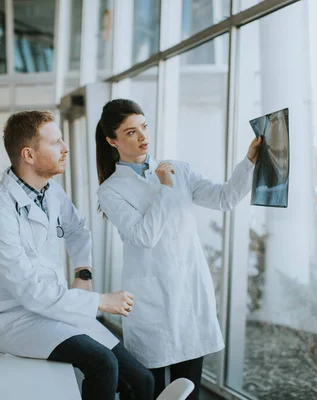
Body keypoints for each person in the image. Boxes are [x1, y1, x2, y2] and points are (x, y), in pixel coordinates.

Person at [0, 110, 154, 400]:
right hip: (14, 319)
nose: (65, 148)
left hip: (55, 310)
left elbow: (78, 229)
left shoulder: (50, 191)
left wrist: (83, 272)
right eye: (55, 143)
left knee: (141, 380)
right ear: (29, 154)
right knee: (102, 364)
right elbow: (30, 293)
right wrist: (102, 301)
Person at [95, 99, 262, 399]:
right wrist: (165, 189)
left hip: (188, 295)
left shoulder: (178, 170)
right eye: (131, 132)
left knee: (190, 391)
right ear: (112, 140)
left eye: (144, 127)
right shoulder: (110, 190)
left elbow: (225, 199)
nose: (143, 136)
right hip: (150, 302)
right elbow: (144, 236)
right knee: (152, 389)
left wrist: (249, 161)